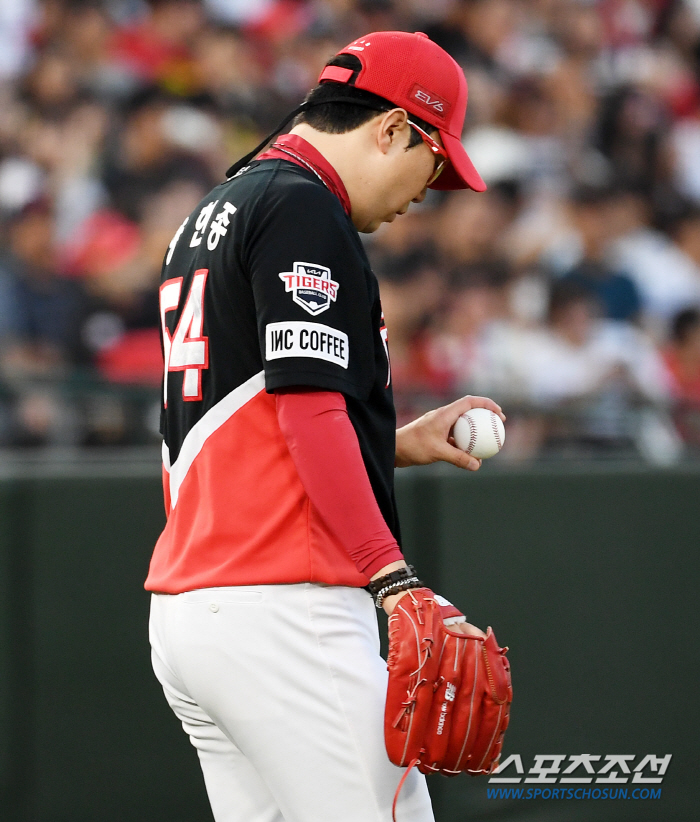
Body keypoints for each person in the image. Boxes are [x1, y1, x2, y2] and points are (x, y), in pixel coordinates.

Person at [145, 31, 504, 822]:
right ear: (393, 128)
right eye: (433, 162)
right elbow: (307, 408)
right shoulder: (304, 207)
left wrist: (393, 444)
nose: (428, 190)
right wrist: (393, 579)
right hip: (284, 608)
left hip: (193, 612)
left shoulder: (218, 206)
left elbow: (250, 417)